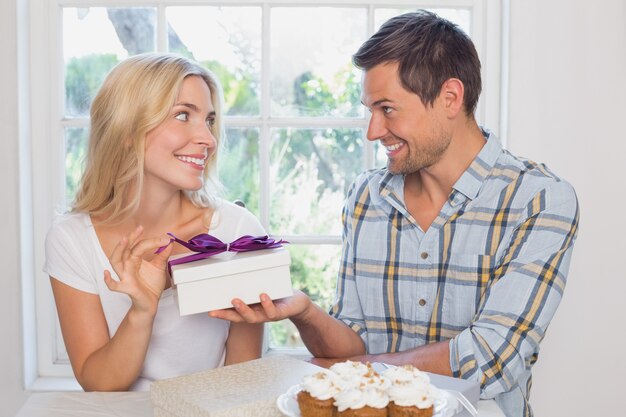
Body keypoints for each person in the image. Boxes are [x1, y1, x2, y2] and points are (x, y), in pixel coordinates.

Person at [209, 11, 579, 417]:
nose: (372, 130)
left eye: (387, 109)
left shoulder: (539, 200)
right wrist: (305, 311)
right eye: (370, 110)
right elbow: (354, 343)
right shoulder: (367, 196)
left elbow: (490, 357)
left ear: (450, 98)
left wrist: (351, 373)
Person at [44, 53, 265, 392]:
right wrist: (141, 310)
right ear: (126, 130)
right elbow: (98, 383)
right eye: (182, 115)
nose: (208, 139)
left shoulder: (237, 232)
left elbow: (241, 381)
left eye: (208, 120)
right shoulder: (72, 239)